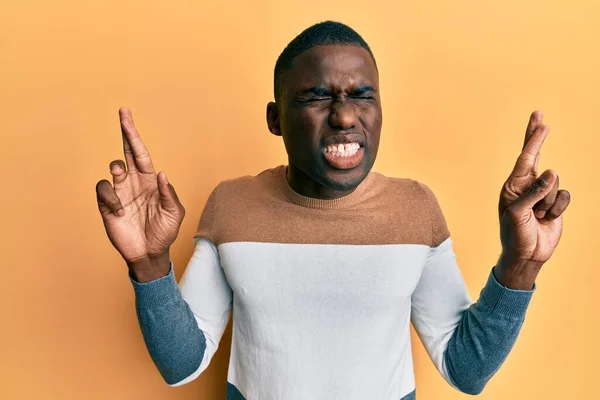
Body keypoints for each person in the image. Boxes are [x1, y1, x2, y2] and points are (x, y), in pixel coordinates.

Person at [95, 21, 570, 400]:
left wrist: (520, 264)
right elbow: (182, 365)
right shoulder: (231, 205)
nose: (345, 116)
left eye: (362, 95)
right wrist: (148, 263)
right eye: (317, 96)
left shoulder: (415, 207)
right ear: (275, 119)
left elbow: (465, 369)